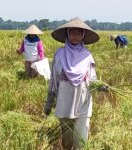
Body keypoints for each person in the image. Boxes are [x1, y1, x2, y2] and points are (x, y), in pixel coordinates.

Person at [44, 18, 108, 150]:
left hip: (83, 102)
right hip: (65, 100)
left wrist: (100, 86)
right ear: (67, 34)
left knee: (81, 140)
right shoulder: (60, 54)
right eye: (72, 32)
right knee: (67, 141)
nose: (75, 36)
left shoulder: (87, 55)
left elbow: (93, 78)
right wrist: (49, 102)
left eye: (78, 33)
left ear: (83, 36)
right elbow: (54, 79)